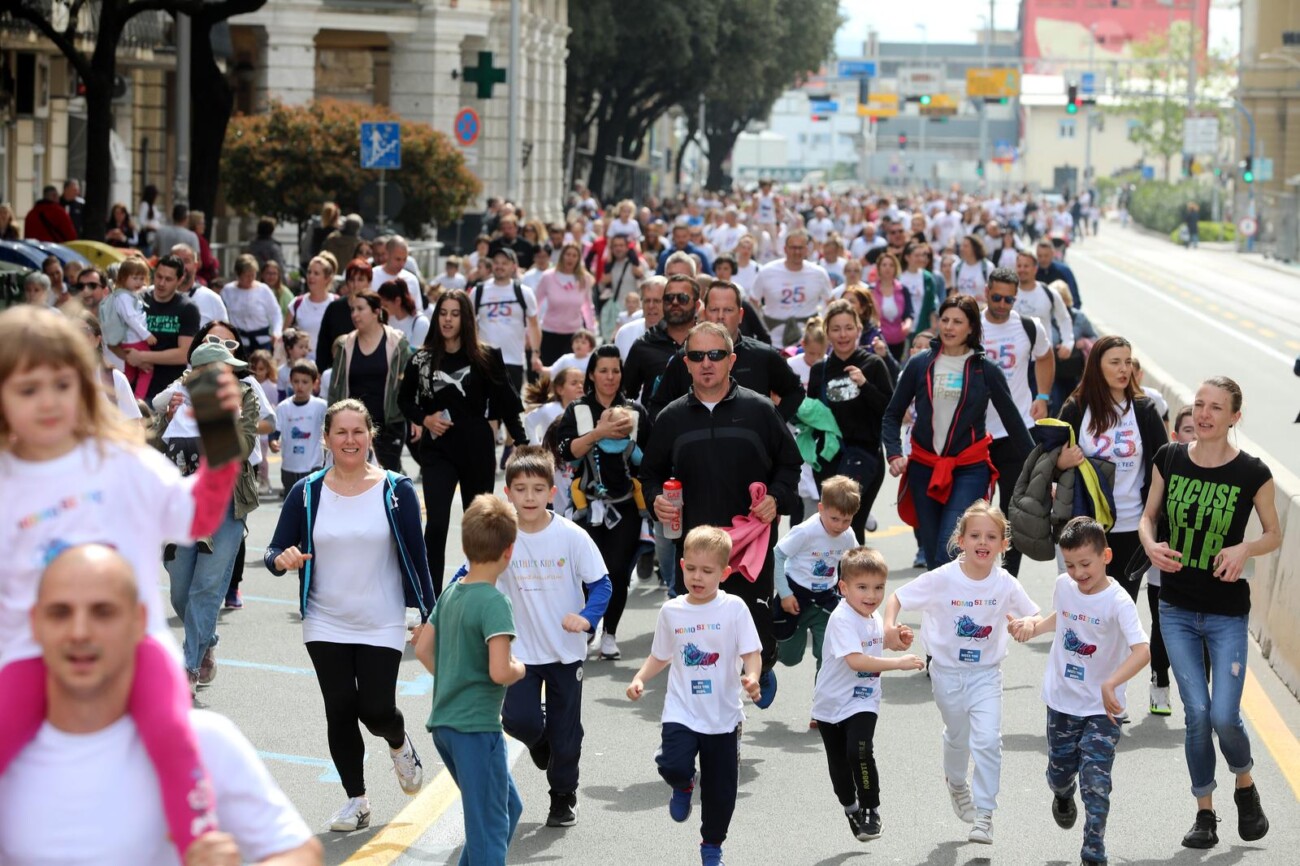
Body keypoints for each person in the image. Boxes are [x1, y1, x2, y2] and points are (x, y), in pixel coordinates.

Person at [0, 306, 243, 860]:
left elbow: (200, 516)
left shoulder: (121, 463)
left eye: (61, 383)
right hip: (28, 653)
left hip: (133, 652)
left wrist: (221, 436)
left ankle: (198, 842)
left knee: (171, 730)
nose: (47, 400)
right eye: (27, 387)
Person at [0, 543, 322, 866]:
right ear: (35, 622)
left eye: (103, 612)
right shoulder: (10, 755)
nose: (80, 631)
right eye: (60, 613)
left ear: (139, 621)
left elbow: (298, 851)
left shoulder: (203, 741)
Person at [265, 398, 434, 831]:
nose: (350, 439)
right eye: (340, 432)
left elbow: (418, 557)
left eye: (358, 431)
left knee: (377, 709)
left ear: (370, 435)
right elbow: (273, 549)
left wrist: (431, 615)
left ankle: (397, 742)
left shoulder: (396, 490)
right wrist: (280, 559)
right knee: (339, 708)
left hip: (381, 620)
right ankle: (356, 799)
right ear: (326, 439)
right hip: (325, 619)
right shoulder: (307, 492)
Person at [1137, 377, 1278, 850]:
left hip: (1226, 613)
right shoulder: (1170, 459)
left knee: (1224, 715)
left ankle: (1245, 784)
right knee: (1197, 713)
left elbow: (1274, 534)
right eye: (1198, 404)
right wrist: (1150, 544)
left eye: (1216, 407)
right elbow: (1148, 516)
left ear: (1234, 417)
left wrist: (1244, 548)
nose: (1203, 413)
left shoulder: (1252, 472)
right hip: (1175, 607)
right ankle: (1205, 814)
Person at [642, 322, 803, 708]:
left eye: (715, 355)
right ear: (686, 363)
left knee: (754, 639)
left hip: (750, 547)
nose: (706, 363)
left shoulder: (759, 410)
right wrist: (655, 501)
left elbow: (789, 467)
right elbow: (650, 475)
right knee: (704, 646)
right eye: (697, 356)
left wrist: (777, 499)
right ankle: (718, 732)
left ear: (731, 359)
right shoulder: (671, 417)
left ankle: (760, 667)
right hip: (697, 551)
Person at [882, 502, 1040, 845]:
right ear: (961, 540)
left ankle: (985, 815)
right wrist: (890, 626)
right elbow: (897, 597)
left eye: (991, 536)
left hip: (986, 674)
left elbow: (1033, 616)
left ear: (1003, 544)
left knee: (987, 741)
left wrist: (1027, 624)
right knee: (958, 736)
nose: (983, 542)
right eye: (975, 535)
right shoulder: (943, 578)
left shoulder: (1005, 583)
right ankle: (956, 782)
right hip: (947, 674)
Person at [1008, 518, 1151, 866]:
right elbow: (1065, 616)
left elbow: (1143, 650)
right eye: (1070, 564)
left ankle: (1093, 849)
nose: (1077, 572)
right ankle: (1061, 793)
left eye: (1085, 564)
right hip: (1062, 700)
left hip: (1103, 708)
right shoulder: (1064, 585)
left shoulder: (1118, 601)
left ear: (1106, 556)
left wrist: (1111, 683)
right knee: (1060, 772)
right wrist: (1034, 625)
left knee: (1096, 780)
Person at [489, 446, 612, 827]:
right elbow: (471, 575)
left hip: (565, 651)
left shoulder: (571, 536)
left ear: (552, 492)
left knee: (567, 733)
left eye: (538, 488)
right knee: (517, 720)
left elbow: (602, 584)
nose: (530, 497)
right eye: (521, 489)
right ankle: (541, 741)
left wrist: (588, 618)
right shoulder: (501, 538)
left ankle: (562, 796)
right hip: (520, 652)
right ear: (507, 492)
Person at [626, 526, 762, 866]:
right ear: (682, 565)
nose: (697, 577)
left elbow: (751, 651)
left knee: (721, 792)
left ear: (724, 572)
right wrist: (640, 678)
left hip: (723, 715)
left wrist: (753, 676)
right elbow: (661, 655)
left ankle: (711, 845)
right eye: (691, 569)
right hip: (682, 710)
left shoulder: (734, 608)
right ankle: (683, 783)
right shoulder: (672, 611)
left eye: (707, 571)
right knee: (672, 764)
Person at [413, 494, 527, 866]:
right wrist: (520, 668)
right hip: (477, 729)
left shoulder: (451, 593)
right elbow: (500, 671)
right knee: (490, 830)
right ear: (509, 551)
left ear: (465, 545)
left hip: (446, 725)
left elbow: (423, 650)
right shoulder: (495, 603)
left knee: (507, 806)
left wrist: (454, 678)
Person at [399, 289, 526, 596]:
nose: (448, 319)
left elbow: (507, 402)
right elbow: (403, 400)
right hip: (438, 450)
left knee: (479, 526)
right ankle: (429, 602)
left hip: (476, 447)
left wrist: (520, 443)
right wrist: (425, 419)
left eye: (455, 314)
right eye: (443, 313)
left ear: (465, 318)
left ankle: (477, 592)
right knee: (437, 524)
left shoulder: (485, 356)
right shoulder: (421, 358)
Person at [159, 339, 261, 690]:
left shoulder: (245, 396)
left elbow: (244, 447)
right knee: (180, 591)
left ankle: (187, 665)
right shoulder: (175, 396)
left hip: (226, 501)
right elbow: (155, 448)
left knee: (206, 588)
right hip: (181, 504)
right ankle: (206, 643)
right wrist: (168, 419)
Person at [812, 547, 925, 842]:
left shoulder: (872, 615)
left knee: (859, 750)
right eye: (862, 587)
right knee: (839, 765)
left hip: (863, 698)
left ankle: (871, 809)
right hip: (830, 703)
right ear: (844, 588)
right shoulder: (841, 618)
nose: (871, 595)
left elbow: (874, 645)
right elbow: (856, 660)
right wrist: (898, 664)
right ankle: (851, 808)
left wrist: (895, 640)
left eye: (878, 588)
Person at [554, 345, 653, 660]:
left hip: (625, 504)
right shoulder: (578, 410)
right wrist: (599, 433)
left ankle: (610, 632)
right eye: (603, 370)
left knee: (619, 571)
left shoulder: (636, 412)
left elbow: (648, 461)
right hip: (587, 505)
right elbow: (567, 451)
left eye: (615, 370)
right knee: (586, 571)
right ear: (592, 375)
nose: (610, 377)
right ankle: (588, 627)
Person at [1055, 335, 1169, 602]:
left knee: (1121, 604)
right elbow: (1048, 462)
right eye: (1115, 362)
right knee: (1085, 604)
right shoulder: (1077, 408)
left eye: (1127, 362)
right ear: (1097, 366)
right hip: (1086, 525)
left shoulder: (1144, 410)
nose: (1123, 369)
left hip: (1133, 525)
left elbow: (1164, 466)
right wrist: (1063, 461)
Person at [980, 267, 1055, 575]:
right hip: (977, 434)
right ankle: (976, 573)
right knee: (977, 512)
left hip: (1018, 430)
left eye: (1009, 299)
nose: (1002, 304)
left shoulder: (1028, 326)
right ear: (986, 293)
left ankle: (1008, 577)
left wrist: (1044, 396)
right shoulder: (973, 325)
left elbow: (1046, 357)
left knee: (1014, 510)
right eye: (996, 297)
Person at [649, 279, 804, 421]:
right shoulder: (686, 358)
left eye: (728, 310)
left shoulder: (763, 356)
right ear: (704, 313)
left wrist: (773, 425)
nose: (721, 316)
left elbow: (795, 390)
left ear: (741, 314)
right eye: (714, 309)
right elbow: (658, 406)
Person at [808, 299, 895, 540]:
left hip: (865, 459)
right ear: (827, 332)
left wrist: (865, 385)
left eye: (848, 327)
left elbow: (889, 410)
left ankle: (855, 577)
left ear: (858, 329)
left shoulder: (873, 364)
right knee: (830, 529)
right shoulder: (820, 370)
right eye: (836, 329)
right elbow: (813, 416)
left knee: (851, 526)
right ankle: (834, 579)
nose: (843, 334)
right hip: (829, 460)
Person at [773, 476, 861, 691]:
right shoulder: (805, 531)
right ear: (821, 508)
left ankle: (821, 705)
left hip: (826, 600)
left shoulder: (847, 535)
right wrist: (784, 593)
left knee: (829, 655)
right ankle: (767, 655)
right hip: (795, 597)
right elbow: (777, 556)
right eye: (834, 519)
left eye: (846, 520)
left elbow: (856, 563)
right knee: (790, 657)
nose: (840, 526)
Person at [327, 290, 414, 473]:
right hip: (354, 427)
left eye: (360, 309)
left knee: (387, 479)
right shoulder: (346, 345)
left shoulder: (397, 343)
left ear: (376, 311)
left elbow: (410, 384)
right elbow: (335, 389)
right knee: (353, 477)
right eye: (352, 310)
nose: (354, 315)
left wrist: (415, 418)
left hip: (389, 425)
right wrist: (330, 424)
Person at [472, 248, 542, 395]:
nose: (500, 266)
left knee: (510, 413)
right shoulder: (478, 291)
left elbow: (534, 325)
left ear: (513, 266)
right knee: (485, 412)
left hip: (514, 361)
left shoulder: (524, 292)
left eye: (505, 263)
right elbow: (469, 323)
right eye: (496, 262)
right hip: (485, 361)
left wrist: (535, 354)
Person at [622, 271, 698, 406]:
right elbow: (625, 395)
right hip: (656, 425)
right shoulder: (643, 345)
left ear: (696, 305)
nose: (675, 302)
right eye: (669, 298)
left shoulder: (710, 342)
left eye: (682, 298)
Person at [750, 229, 833, 349]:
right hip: (772, 340)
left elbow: (830, 302)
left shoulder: (818, 273)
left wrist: (821, 324)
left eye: (800, 248)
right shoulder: (767, 271)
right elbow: (753, 301)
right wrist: (760, 327)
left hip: (808, 343)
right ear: (785, 249)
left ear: (807, 250)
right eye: (793, 248)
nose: (797, 252)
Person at [534, 242, 595, 365]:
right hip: (549, 333)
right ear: (562, 256)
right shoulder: (548, 277)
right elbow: (535, 304)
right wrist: (530, 331)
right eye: (568, 254)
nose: (570, 258)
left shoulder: (584, 279)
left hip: (574, 335)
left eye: (574, 255)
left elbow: (587, 307)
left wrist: (590, 331)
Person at [275, 360, 327, 493]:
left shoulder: (321, 406)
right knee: (291, 501)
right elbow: (275, 430)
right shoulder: (283, 407)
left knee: (312, 502)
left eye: (305, 382)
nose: (300, 386)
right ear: (290, 381)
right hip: (289, 466)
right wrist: (272, 441)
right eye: (296, 381)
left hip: (313, 466)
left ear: (314, 383)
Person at [315, 257, 368, 372]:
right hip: (336, 372)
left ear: (368, 282)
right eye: (351, 280)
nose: (355, 284)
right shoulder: (334, 308)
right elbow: (323, 344)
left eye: (360, 279)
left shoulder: (376, 309)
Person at [222, 253, 283, 353]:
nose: (250, 278)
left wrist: (276, 332)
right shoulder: (228, 291)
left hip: (262, 342)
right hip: (238, 342)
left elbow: (276, 313)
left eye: (253, 275)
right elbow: (223, 316)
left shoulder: (263, 290)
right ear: (238, 275)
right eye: (247, 276)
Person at [285, 255, 339, 362]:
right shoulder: (297, 303)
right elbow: (284, 335)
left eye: (316, 273)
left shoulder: (336, 303)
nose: (311, 276)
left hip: (328, 364)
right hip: (301, 367)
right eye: (309, 272)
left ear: (327, 278)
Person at [869, 251, 913, 359]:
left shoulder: (903, 290)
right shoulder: (871, 291)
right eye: (884, 265)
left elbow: (909, 313)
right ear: (878, 268)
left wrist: (907, 324)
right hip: (878, 339)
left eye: (891, 265)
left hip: (898, 338)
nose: (887, 268)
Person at [378, 278, 430, 348]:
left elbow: (414, 354)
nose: (382, 309)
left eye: (385, 306)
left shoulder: (421, 323)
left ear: (397, 301)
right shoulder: (386, 320)